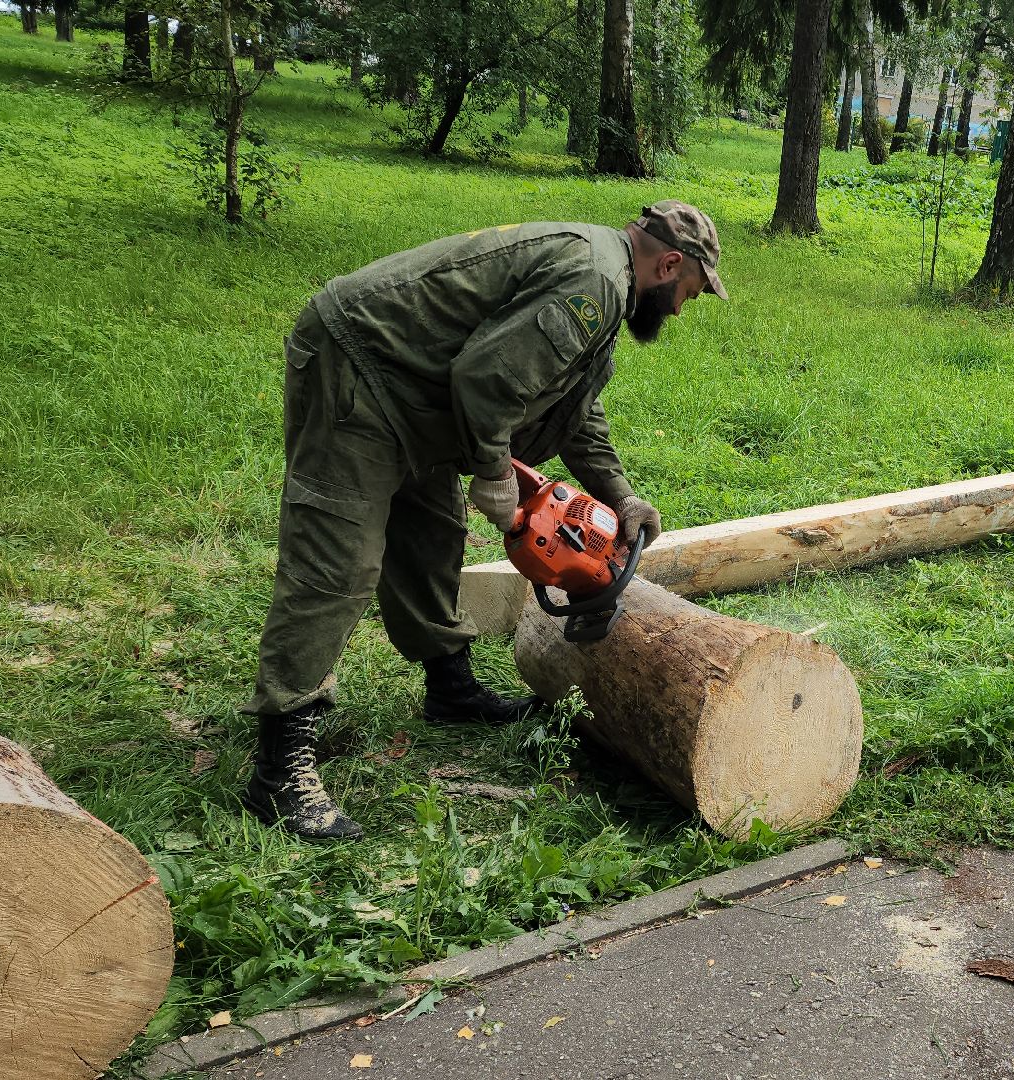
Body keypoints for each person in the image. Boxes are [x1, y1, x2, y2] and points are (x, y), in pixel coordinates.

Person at [239, 201, 727, 840]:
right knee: (339, 560)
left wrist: (620, 494)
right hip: (360, 362)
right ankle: (280, 767)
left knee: (434, 532)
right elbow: (486, 378)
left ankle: (450, 688)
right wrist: (494, 471)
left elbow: (576, 407)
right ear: (669, 264)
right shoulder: (595, 282)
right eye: (687, 292)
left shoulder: (604, 281)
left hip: (416, 391)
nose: (681, 308)